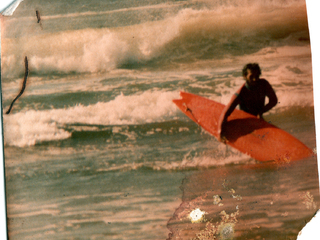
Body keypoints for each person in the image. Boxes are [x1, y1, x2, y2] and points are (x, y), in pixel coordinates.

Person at [217, 63, 278, 142]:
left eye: (257, 76)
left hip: (258, 121)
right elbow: (225, 113)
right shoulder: (240, 94)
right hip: (244, 124)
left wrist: (261, 111)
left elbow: (274, 100)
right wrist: (220, 132)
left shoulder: (264, 84)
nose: (255, 79)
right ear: (245, 76)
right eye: (251, 76)